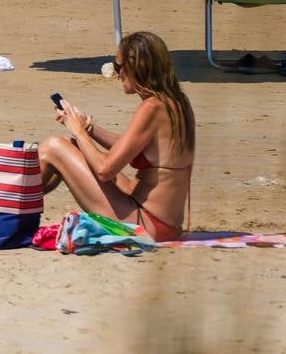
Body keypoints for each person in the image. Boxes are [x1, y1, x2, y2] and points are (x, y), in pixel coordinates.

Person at [40, 30, 194, 241]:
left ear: (136, 67)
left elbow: (104, 171)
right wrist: (88, 129)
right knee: (72, 145)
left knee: (53, 146)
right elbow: (130, 148)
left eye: (118, 67)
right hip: (164, 223)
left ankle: (9, 207)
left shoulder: (151, 108)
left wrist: (77, 130)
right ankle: (18, 205)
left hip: (145, 223)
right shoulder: (175, 102)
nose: (116, 74)